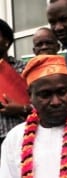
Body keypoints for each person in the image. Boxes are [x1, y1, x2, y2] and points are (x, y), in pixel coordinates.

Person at [0, 19, 30, 149]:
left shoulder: (25, 69)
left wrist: (22, 109)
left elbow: (42, 104)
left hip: (21, 138)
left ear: (6, 42)